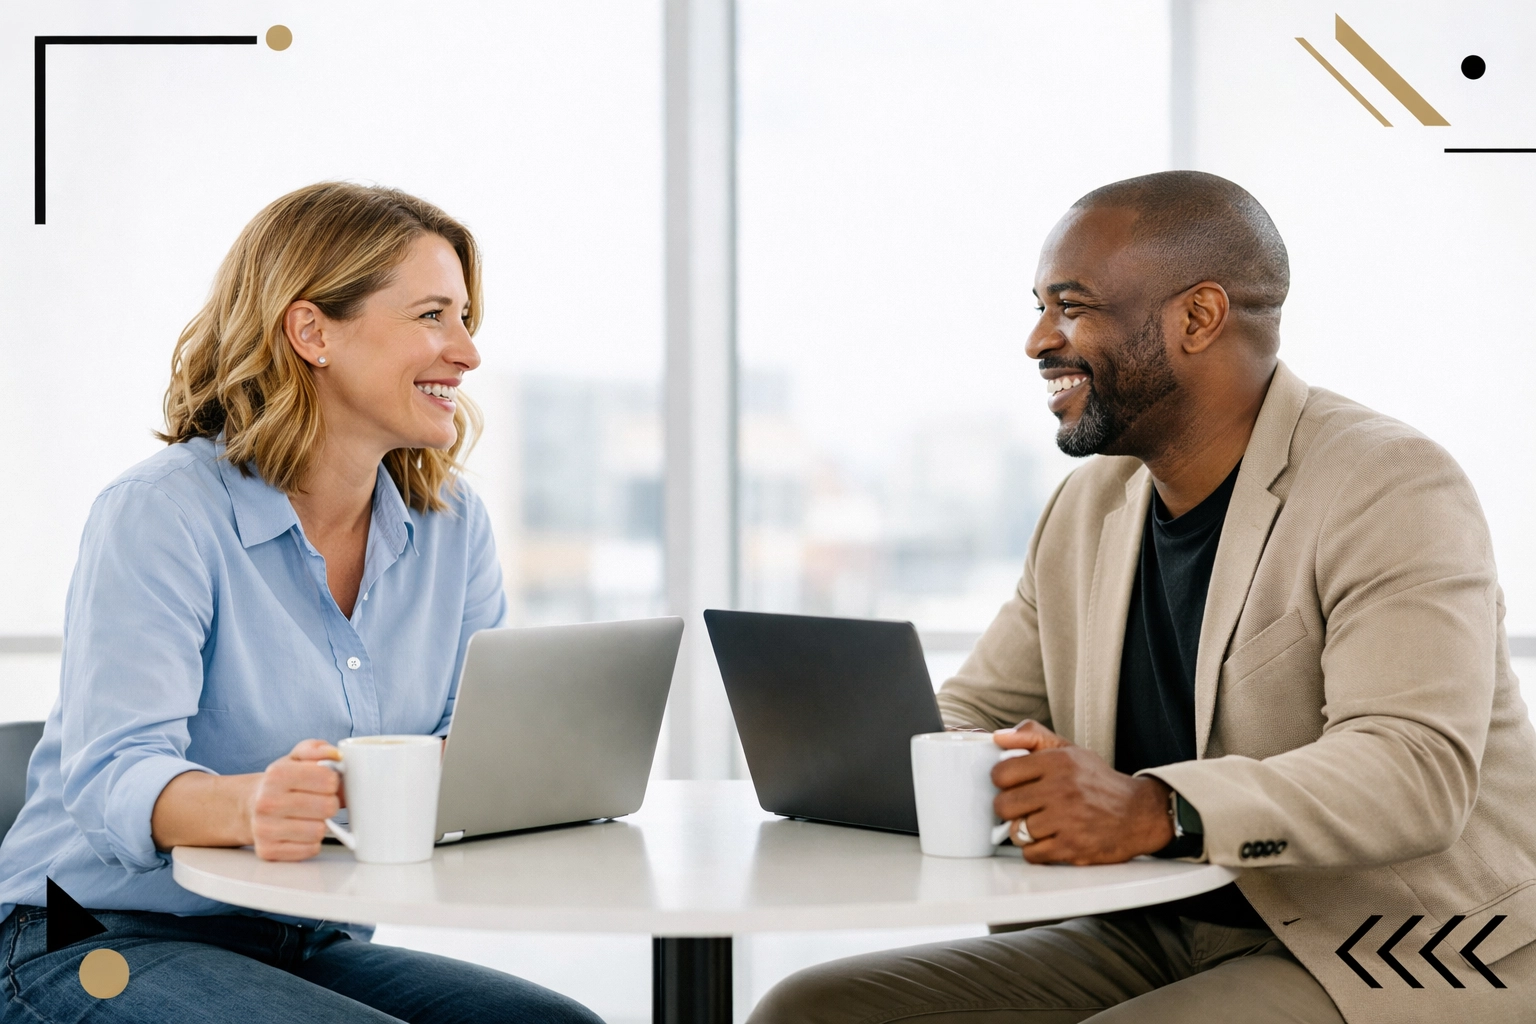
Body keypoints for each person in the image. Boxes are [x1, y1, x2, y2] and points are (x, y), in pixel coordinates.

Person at [750, 171, 1536, 1022]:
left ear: (1197, 318)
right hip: (1153, 926)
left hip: (1390, 943)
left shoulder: (1387, 484)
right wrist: (888, 764)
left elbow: (1414, 767)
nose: (1036, 340)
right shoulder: (1089, 507)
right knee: (816, 1007)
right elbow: (978, 709)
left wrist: (1154, 808)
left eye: (1072, 306)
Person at [0, 183, 603, 1023]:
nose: (466, 353)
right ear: (312, 330)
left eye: (467, 318)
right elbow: (111, 778)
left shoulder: (452, 527)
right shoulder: (164, 513)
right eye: (433, 315)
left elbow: (474, 752)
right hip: (85, 942)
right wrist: (250, 804)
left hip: (302, 938)